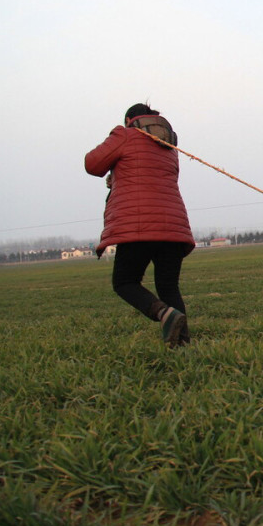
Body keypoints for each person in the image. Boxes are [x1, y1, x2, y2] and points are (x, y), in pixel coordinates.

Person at [85, 103, 195, 347]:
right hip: (173, 224)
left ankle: (164, 314)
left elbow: (92, 164)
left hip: (139, 225)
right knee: (168, 286)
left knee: (124, 282)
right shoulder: (168, 145)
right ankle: (182, 345)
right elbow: (149, 176)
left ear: (128, 119)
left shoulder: (125, 134)